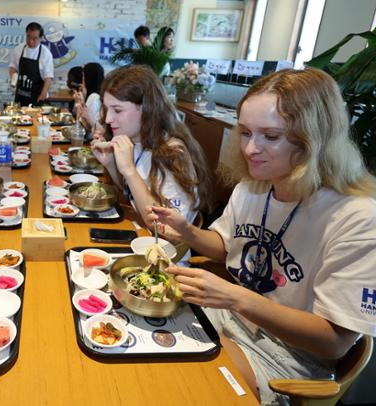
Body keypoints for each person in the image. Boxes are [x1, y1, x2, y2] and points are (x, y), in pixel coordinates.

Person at [146, 68, 376, 405]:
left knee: (178, 384)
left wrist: (236, 297)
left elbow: (334, 342)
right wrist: (187, 231)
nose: (251, 149)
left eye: (271, 136)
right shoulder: (253, 187)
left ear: (315, 139)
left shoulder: (357, 219)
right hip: (229, 317)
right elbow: (226, 248)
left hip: (285, 356)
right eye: (245, 133)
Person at [91, 65, 212, 239]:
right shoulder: (136, 140)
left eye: (117, 110)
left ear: (147, 108)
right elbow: (131, 194)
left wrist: (130, 171)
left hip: (165, 254)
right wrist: (110, 163)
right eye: (107, 109)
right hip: (139, 234)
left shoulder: (172, 153)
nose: (108, 119)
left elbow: (166, 230)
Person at [9, 22, 54, 106]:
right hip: (20, 95)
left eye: (34, 38)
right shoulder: (18, 49)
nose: (30, 41)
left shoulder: (46, 54)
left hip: (37, 96)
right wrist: (13, 79)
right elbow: (12, 68)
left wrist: (43, 94)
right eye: (28, 37)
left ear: (41, 38)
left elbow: (48, 77)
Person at [74, 63, 104, 131]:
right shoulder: (100, 94)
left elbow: (81, 127)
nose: (82, 80)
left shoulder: (94, 97)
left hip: (91, 139)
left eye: (84, 76)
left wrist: (78, 103)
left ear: (88, 78)